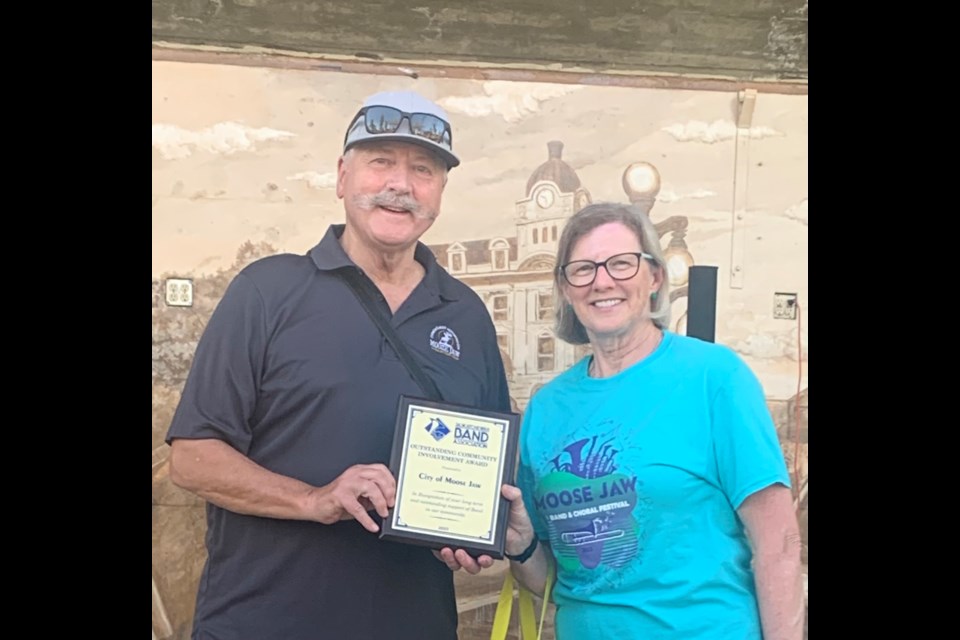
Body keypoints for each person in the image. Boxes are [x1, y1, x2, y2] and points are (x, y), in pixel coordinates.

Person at [165, 90, 511, 640]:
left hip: (413, 624)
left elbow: (488, 466)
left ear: (441, 192)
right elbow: (192, 459)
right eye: (381, 163)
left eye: (423, 169)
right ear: (342, 177)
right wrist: (315, 499)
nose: (401, 184)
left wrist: (473, 532)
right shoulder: (267, 291)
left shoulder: (466, 314)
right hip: (262, 623)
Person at [440, 202, 805, 639]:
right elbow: (555, 583)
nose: (602, 281)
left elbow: (779, 546)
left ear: (655, 278)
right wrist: (520, 546)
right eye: (583, 269)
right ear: (565, 289)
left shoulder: (715, 379)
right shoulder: (546, 409)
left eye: (621, 264)